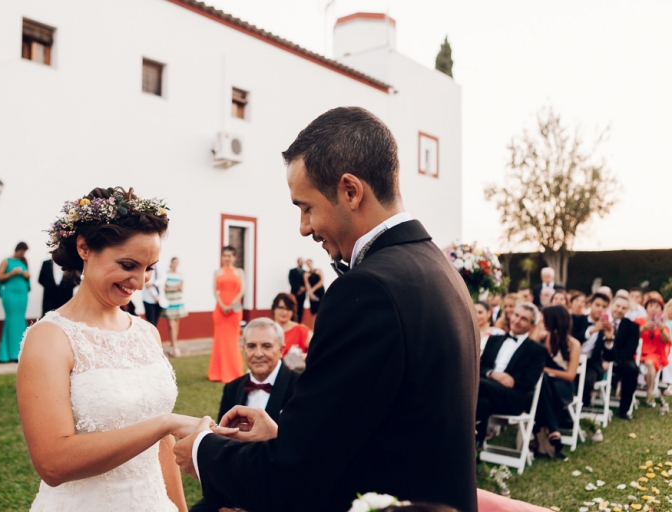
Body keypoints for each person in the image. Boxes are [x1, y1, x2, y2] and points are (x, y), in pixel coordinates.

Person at [175, 106, 479, 511]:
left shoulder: (368, 289)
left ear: (350, 191)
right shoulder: (438, 267)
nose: (303, 227)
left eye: (306, 207)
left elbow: (293, 479)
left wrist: (202, 450)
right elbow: (382, 422)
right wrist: (287, 435)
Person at [17, 186, 220, 511]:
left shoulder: (147, 333)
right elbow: (53, 464)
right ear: (84, 247)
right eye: (128, 265)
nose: (140, 282)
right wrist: (163, 423)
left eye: (150, 267)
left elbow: (162, 449)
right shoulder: (50, 338)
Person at [190, 318, 300, 512]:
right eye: (251, 346)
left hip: (278, 493)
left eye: (266, 346)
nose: (258, 353)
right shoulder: (233, 388)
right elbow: (222, 442)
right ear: (243, 348)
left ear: (281, 349)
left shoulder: (300, 388)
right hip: (234, 485)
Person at [477, 303, 547, 447]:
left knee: (473, 383)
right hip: (486, 389)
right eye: (516, 315)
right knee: (482, 403)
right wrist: (493, 374)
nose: (517, 320)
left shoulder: (536, 350)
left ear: (532, 326)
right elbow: (481, 367)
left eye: (524, 319)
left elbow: (529, 382)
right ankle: (475, 451)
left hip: (513, 397)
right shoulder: (494, 340)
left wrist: (510, 380)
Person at [533, 306, 581, 457]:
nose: (542, 321)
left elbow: (570, 375)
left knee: (543, 380)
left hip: (563, 387)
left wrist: (546, 371)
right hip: (545, 386)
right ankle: (553, 429)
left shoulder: (573, 344)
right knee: (543, 382)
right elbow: (528, 348)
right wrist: (537, 328)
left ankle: (546, 430)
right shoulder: (543, 337)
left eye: (544, 319)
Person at [209, 246, 245, 383]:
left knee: (233, 340)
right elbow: (215, 291)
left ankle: (234, 372)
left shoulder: (240, 272)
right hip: (220, 309)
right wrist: (223, 305)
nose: (227, 258)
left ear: (234, 257)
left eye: (230, 255)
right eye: (225, 255)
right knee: (220, 340)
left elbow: (242, 290)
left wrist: (231, 304)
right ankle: (217, 373)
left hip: (235, 308)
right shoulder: (217, 272)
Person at [571, 292, 612, 408]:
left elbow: (610, 357)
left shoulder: (608, 327)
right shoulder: (577, 319)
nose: (600, 309)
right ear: (590, 304)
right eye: (597, 305)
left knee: (587, 379)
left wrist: (609, 340)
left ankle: (582, 407)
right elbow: (571, 339)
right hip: (572, 359)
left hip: (592, 363)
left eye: (604, 307)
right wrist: (593, 330)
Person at [602, 295, 640, 419]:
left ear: (627, 310)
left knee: (632, 370)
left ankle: (624, 409)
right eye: (618, 306)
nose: (619, 310)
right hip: (600, 358)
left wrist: (613, 360)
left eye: (623, 308)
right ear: (612, 304)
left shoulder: (632, 326)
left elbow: (630, 349)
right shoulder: (602, 321)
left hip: (621, 359)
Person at [0, 242, 31, 363]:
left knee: (21, 320)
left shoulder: (24, 262)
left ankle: (20, 352)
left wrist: (27, 275)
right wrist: (12, 273)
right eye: (21, 251)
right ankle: (7, 354)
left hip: (22, 295)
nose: (22, 254)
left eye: (24, 252)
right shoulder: (6, 261)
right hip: (10, 295)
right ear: (17, 250)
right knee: (11, 320)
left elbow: (28, 279)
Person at [635, 292, 671, 406]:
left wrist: (661, 329)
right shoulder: (639, 321)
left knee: (650, 363)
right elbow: (630, 335)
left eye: (657, 307)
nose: (653, 309)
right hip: (638, 352)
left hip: (654, 353)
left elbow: (667, 340)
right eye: (651, 306)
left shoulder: (663, 325)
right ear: (646, 308)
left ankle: (649, 392)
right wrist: (643, 328)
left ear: (661, 310)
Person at [271, 292, 311, 358]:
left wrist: (305, 356)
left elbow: (318, 351)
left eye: (288, 309)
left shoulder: (301, 331)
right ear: (274, 309)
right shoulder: (266, 330)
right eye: (281, 308)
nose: (284, 312)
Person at [162, 257, 188, 358]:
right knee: (171, 325)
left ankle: (173, 345)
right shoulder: (166, 274)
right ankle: (174, 346)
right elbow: (164, 287)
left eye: (177, 263)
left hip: (178, 301)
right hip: (169, 301)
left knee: (176, 324)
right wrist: (174, 288)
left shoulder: (180, 275)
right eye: (174, 262)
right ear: (171, 263)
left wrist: (174, 288)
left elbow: (181, 289)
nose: (175, 264)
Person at [142, 265, 167, 329]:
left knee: (155, 323)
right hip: (149, 299)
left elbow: (163, 279)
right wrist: (155, 295)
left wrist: (154, 284)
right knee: (150, 323)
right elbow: (147, 283)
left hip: (159, 299)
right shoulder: (147, 264)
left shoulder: (161, 264)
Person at [288, 258, 306, 324]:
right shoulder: (292, 271)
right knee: (293, 307)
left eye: (302, 262)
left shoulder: (305, 272)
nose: (301, 263)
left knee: (301, 308)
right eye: (300, 262)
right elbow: (291, 281)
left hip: (303, 294)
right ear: (297, 262)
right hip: (295, 293)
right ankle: (292, 322)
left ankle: (299, 323)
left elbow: (307, 282)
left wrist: (303, 289)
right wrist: (299, 288)